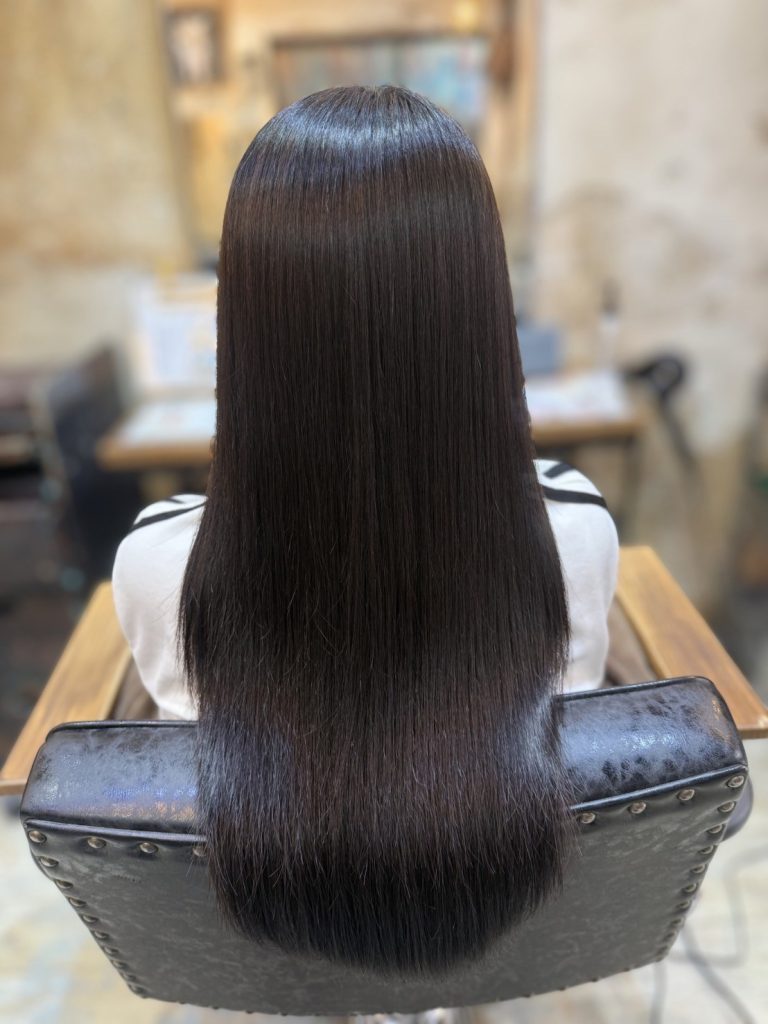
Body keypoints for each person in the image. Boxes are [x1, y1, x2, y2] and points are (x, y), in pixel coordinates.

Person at [113, 86, 618, 977]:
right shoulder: (577, 538)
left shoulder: (154, 566)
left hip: (256, 941)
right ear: (479, 305)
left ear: (245, 322)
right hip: (506, 923)